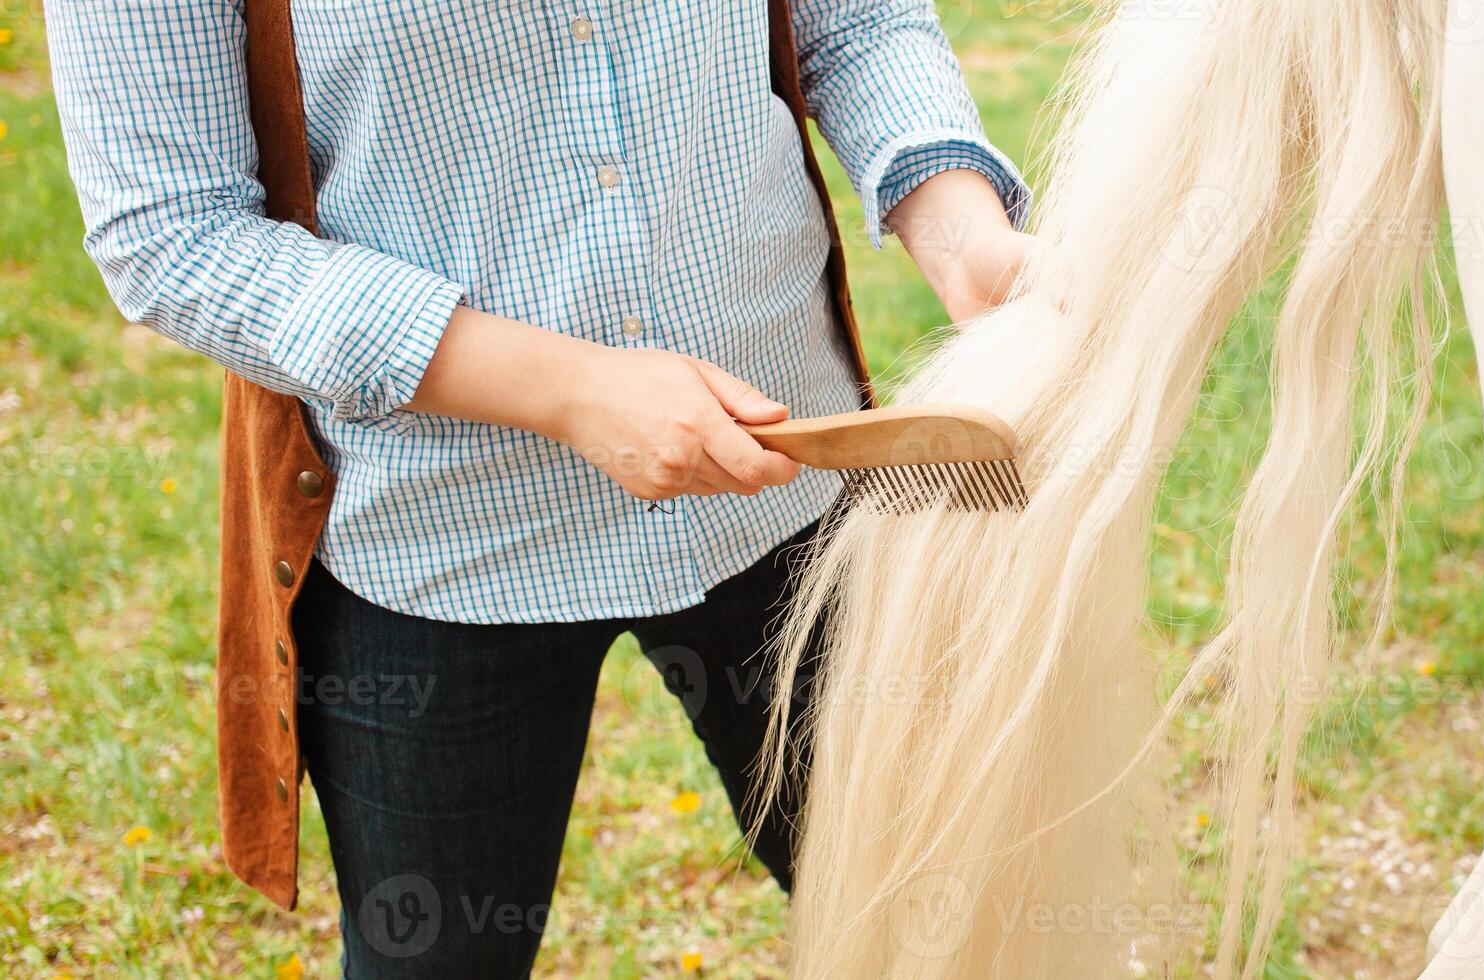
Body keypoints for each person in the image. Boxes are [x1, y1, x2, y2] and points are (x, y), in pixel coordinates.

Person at [44, 1, 1031, 975]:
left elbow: (853, 22)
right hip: (442, 532)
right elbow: (172, 232)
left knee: (927, 921)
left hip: (785, 473)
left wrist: (958, 230)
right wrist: (571, 391)